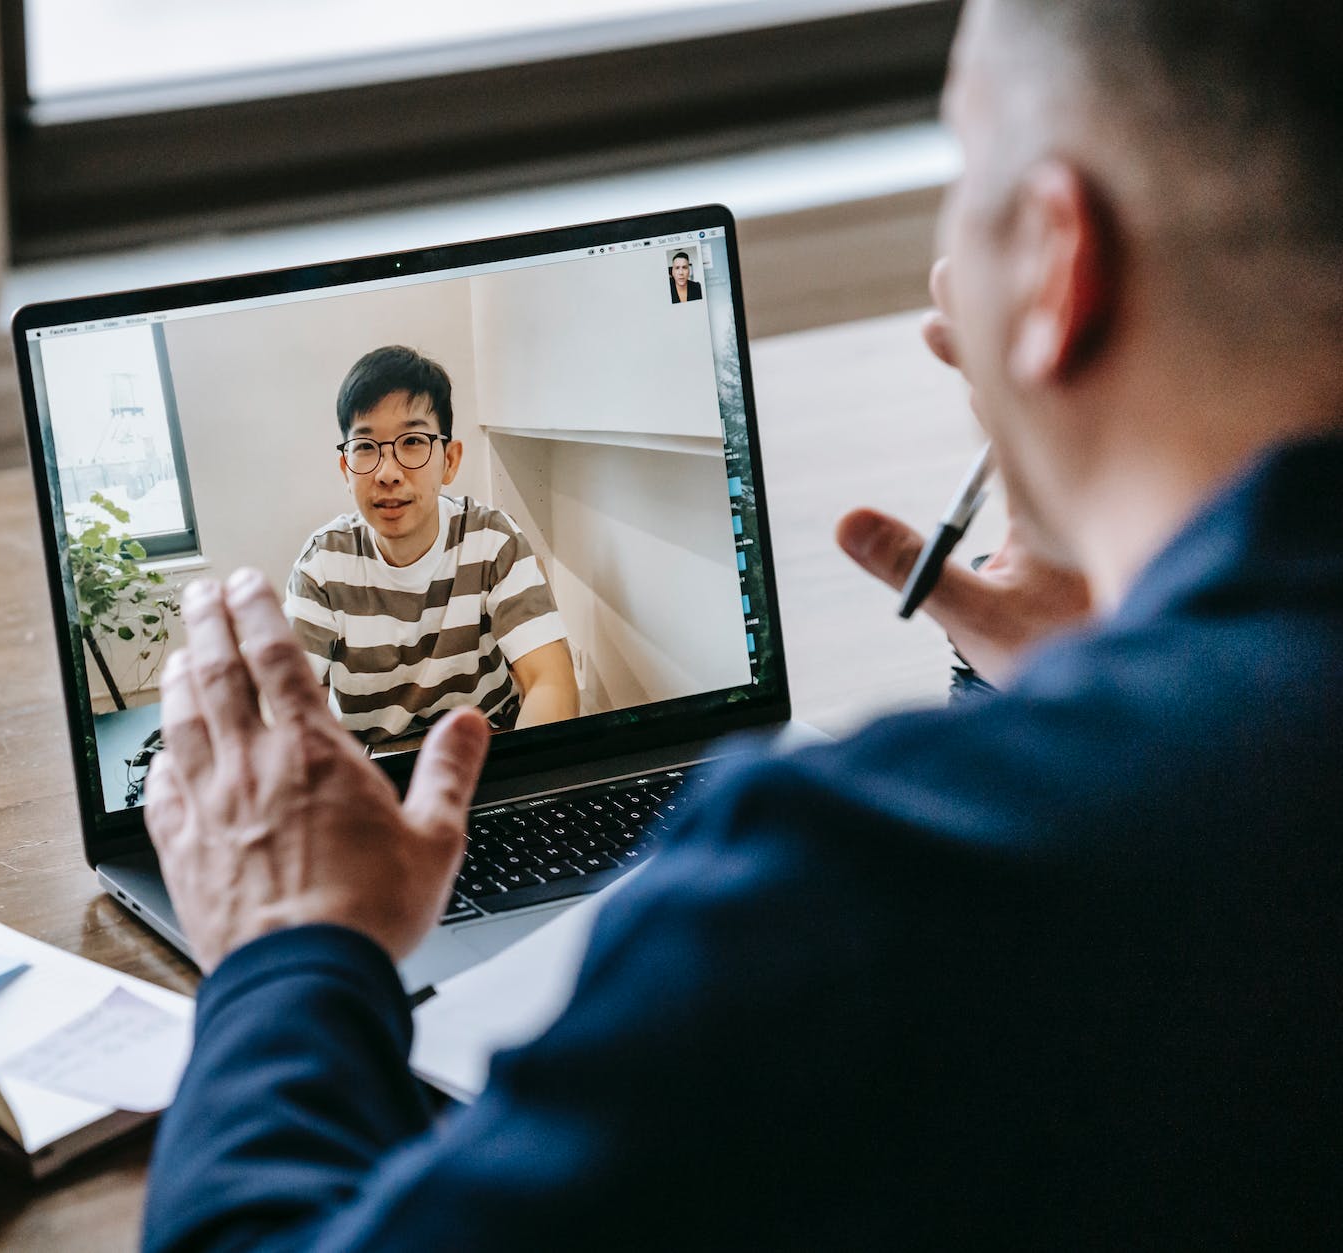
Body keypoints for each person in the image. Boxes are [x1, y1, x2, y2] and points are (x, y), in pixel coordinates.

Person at [141, 0, 1343, 1246]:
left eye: (958, 165)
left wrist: (287, 948)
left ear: (1051, 262)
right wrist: (1101, 688)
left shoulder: (846, 884)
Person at [285, 345, 579, 748]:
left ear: (450, 460)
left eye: (412, 442)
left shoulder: (492, 541)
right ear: (345, 468)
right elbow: (291, 711)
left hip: (487, 759)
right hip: (376, 777)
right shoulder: (322, 565)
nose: (388, 473)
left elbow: (552, 682)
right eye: (366, 447)